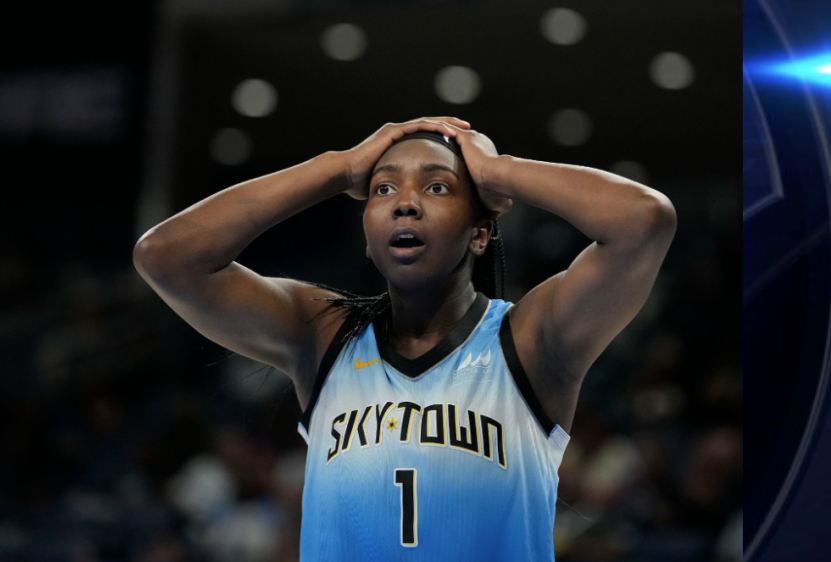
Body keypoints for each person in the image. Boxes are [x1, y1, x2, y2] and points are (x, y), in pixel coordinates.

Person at [133, 117, 676, 560]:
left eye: (437, 187)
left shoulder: (530, 340)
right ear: (369, 237)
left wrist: (497, 172)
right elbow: (165, 256)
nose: (405, 202)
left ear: (481, 232)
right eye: (384, 188)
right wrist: (339, 168)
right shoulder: (322, 337)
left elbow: (643, 220)